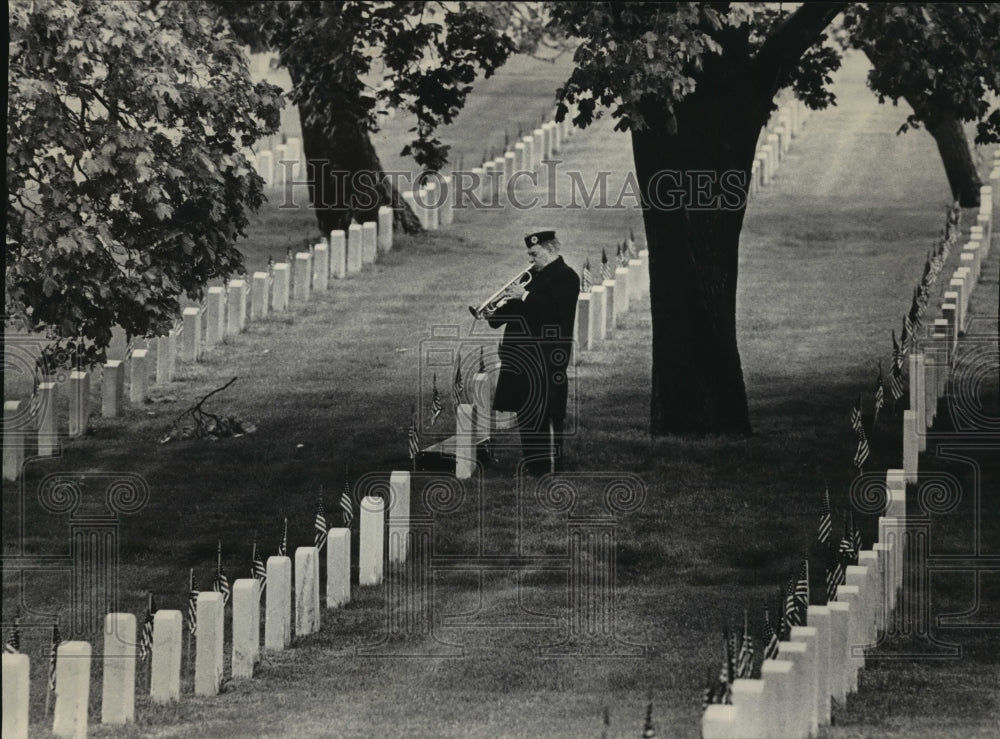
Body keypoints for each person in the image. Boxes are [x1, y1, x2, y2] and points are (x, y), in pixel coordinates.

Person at [487, 230, 579, 474]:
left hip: (545, 357)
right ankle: (535, 466)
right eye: (529, 254)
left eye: (534, 254)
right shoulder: (531, 276)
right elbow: (514, 311)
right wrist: (493, 311)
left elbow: (556, 312)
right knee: (525, 412)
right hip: (519, 357)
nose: (531, 259)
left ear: (550, 250)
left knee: (545, 411)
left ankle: (550, 466)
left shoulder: (567, 277)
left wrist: (524, 295)